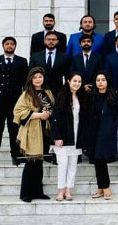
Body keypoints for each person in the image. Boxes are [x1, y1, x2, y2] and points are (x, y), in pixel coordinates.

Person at [0, 36, 28, 166]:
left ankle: (16, 155)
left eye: (12, 44)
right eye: (7, 44)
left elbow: (26, 83)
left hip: (15, 103)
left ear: (15, 46)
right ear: (3, 46)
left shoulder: (22, 61)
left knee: (14, 130)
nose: (9, 46)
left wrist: (26, 101)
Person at [80, 71, 118, 200]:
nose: (100, 82)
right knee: (97, 159)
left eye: (103, 80)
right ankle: (101, 187)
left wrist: (113, 126)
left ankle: (105, 187)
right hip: (93, 132)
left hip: (107, 132)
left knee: (100, 158)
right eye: (98, 80)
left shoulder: (114, 95)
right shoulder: (90, 96)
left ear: (107, 81)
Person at [13, 67, 54, 202]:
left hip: (44, 131)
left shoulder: (47, 92)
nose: (38, 79)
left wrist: (49, 115)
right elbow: (18, 111)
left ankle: (38, 192)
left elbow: (52, 107)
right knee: (31, 162)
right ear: (31, 78)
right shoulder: (26, 94)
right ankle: (25, 193)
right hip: (32, 130)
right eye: (35, 77)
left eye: (40, 77)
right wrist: (39, 115)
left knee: (39, 162)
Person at [50, 73, 83, 201]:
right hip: (64, 136)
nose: (77, 84)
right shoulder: (62, 96)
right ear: (69, 81)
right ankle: (60, 191)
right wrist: (57, 137)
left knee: (73, 165)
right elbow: (55, 118)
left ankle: (69, 191)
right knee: (62, 165)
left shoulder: (81, 97)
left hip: (76, 136)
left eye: (79, 81)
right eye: (74, 81)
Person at [29, 31, 69, 99]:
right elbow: (30, 74)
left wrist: (65, 91)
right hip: (39, 91)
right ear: (44, 41)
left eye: (53, 40)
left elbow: (68, 75)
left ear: (57, 42)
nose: (51, 41)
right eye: (48, 39)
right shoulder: (35, 56)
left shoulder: (64, 57)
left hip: (58, 92)